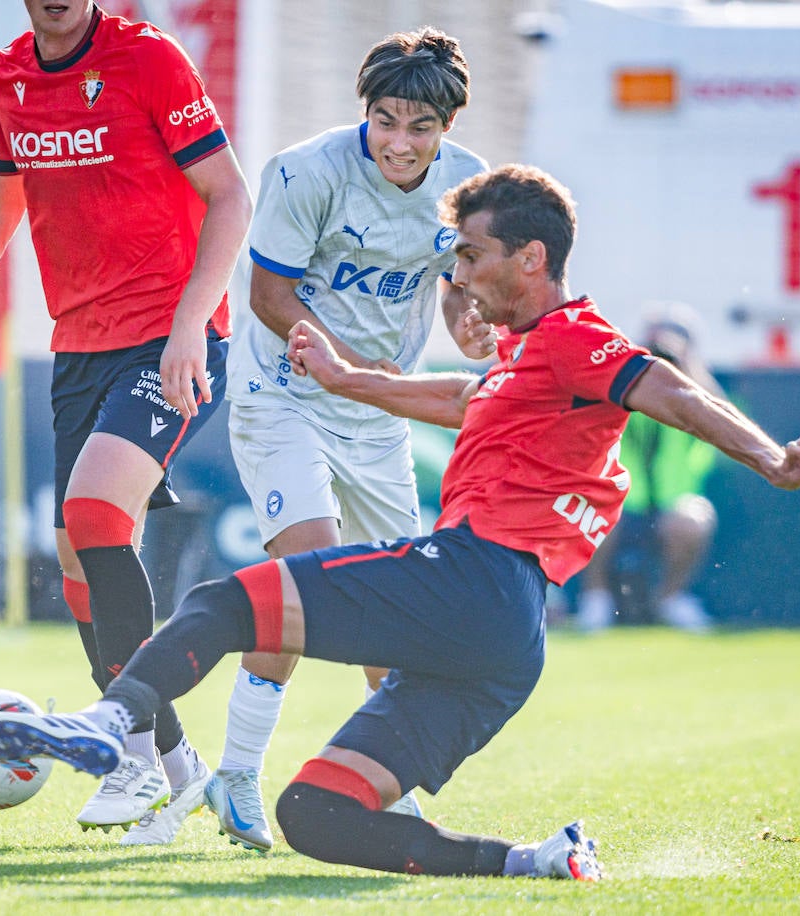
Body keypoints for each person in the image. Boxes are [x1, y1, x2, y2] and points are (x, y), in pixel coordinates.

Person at [0, 164, 800, 880]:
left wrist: (770, 457)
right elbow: (460, 398)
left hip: (473, 577)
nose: (457, 275)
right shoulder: (528, 362)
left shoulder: (578, 338)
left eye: (470, 255)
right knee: (316, 814)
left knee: (223, 604)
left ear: (532, 259)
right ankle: (533, 861)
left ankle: (111, 726)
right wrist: (347, 378)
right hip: (506, 644)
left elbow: (669, 389)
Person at [0, 0, 252, 845]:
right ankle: (177, 764)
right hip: (79, 347)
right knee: (79, 552)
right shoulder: (8, 75)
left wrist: (193, 324)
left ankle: (128, 751)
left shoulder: (147, 58)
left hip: (171, 341)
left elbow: (230, 195)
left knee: (94, 516)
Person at [211, 27, 493, 851]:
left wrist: (465, 321)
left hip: (376, 412)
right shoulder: (306, 172)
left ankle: (384, 790)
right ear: (364, 111)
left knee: (396, 613)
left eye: (420, 127)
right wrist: (340, 363)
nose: (399, 142)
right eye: (385, 120)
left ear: (447, 127)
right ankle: (237, 772)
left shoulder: (470, 185)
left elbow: (457, 282)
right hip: (283, 392)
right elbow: (268, 296)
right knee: (308, 576)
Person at [578, 305, 722, 632]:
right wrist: (638, 366)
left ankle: (671, 599)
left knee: (693, 520)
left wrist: (686, 367)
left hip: (673, 502)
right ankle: (596, 599)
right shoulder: (622, 386)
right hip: (622, 499)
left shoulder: (697, 388)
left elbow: (722, 418)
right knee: (593, 513)